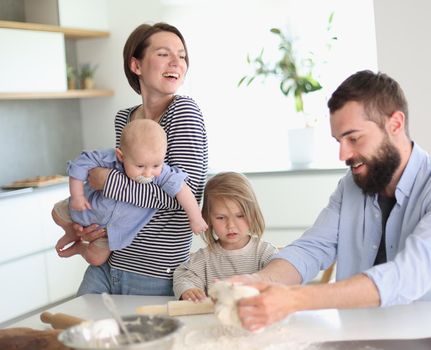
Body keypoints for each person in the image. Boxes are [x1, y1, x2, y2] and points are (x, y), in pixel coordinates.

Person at [231, 70, 431, 332]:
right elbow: (311, 249)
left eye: (354, 138)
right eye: (338, 140)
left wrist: (295, 299)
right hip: (364, 336)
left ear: (395, 124)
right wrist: (259, 281)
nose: (343, 154)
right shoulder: (351, 186)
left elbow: (410, 274)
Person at [53, 22, 208, 296]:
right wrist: (96, 227)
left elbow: (183, 198)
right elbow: (127, 195)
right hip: (110, 261)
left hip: (153, 272)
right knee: (71, 337)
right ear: (136, 66)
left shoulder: (183, 111)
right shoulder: (125, 118)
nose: (177, 62)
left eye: (182, 55)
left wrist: (106, 181)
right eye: (163, 54)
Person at [52, 119, 207, 266]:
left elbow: (182, 189)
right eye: (140, 166)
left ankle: (80, 248)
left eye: (156, 165)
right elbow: (80, 163)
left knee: (96, 259)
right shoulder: (110, 159)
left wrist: (195, 217)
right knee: (56, 214)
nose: (148, 173)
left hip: (109, 232)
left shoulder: (162, 173)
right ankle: (71, 232)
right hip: (86, 209)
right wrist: (77, 195)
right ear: (121, 156)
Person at [173, 172, 278, 301]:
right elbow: (183, 276)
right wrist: (188, 290)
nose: (231, 225)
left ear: (253, 213)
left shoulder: (265, 253)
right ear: (208, 218)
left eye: (240, 216)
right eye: (221, 217)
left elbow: (279, 278)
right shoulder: (204, 258)